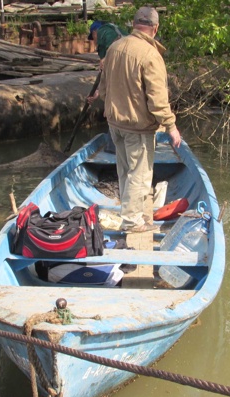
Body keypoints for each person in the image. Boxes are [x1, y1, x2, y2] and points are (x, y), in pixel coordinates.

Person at [95, 6, 182, 233]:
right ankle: (133, 222)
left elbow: (104, 87)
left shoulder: (114, 47)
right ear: (155, 28)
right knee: (140, 175)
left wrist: (107, 106)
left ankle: (131, 213)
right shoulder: (150, 55)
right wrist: (171, 126)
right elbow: (157, 99)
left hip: (115, 125)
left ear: (133, 25)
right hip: (137, 127)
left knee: (125, 171)